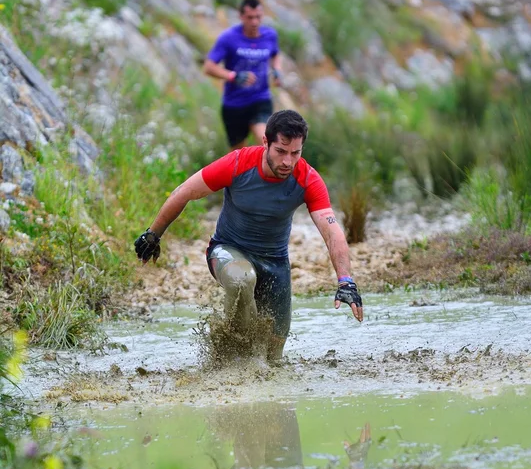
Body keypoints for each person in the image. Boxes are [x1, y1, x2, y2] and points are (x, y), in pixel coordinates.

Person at [134, 109, 363, 361]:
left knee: (273, 358)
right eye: (281, 151)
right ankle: (232, 356)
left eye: (295, 153)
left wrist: (345, 280)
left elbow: (331, 231)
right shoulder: (237, 163)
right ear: (265, 142)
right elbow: (184, 191)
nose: (288, 161)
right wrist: (153, 235)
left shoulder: (307, 179)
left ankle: (250, 375)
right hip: (228, 251)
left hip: (275, 264)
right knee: (242, 280)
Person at [203, 0, 282, 151]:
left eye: (258, 17)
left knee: (267, 142)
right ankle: (245, 175)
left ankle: (270, 175)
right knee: (238, 156)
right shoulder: (228, 38)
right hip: (234, 105)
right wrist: (233, 76)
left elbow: (275, 54)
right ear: (241, 17)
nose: (254, 22)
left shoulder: (270, 35)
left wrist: (277, 70)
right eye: (250, 17)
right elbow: (209, 67)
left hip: (260, 99)